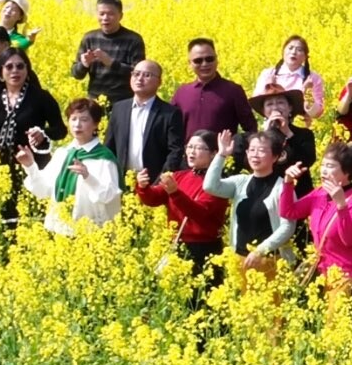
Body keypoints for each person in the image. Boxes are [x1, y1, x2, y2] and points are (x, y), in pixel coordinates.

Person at [0, 47, 65, 225]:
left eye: (20, 66)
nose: (15, 71)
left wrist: (42, 133)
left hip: (32, 167)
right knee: (4, 220)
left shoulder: (41, 98)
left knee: (33, 217)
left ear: (27, 71)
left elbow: (60, 130)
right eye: (9, 67)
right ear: (0, 73)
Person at [134, 130, 228, 285]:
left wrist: (175, 193)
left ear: (213, 154)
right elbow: (154, 199)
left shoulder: (218, 184)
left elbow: (200, 213)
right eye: (189, 146)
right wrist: (143, 186)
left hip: (203, 249)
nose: (192, 152)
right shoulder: (179, 176)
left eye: (198, 148)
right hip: (176, 243)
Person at [17, 98, 121, 236]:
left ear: (96, 124)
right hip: (59, 231)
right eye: (73, 119)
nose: (77, 125)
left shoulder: (103, 158)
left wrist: (88, 177)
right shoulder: (62, 154)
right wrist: (30, 166)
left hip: (91, 234)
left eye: (84, 120)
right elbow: (44, 190)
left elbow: (110, 196)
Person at [280, 141, 352, 298]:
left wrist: (341, 205)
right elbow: (288, 211)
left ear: (347, 172)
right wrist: (288, 181)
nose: (323, 170)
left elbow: (349, 239)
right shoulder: (320, 193)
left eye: (330, 166)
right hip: (325, 272)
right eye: (323, 165)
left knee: (341, 315)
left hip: (348, 273)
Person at [206, 129, 296, 280]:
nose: (255, 155)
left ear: (275, 157)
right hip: (239, 259)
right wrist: (221, 155)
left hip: (270, 261)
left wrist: (260, 251)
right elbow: (210, 186)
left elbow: (287, 227)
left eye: (261, 150)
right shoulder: (240, 182)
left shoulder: (283, 188)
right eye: (252, 150)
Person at [105, 60, 186, 187]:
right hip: (122, 182)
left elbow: (175, 151)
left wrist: (160, 182)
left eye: (147, 75)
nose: (139, 79)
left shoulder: (170, 113)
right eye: (136, 74)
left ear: (159, 82)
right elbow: (109, 146)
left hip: (154, 183)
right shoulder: (119, 108)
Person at [172, 38, 256, 142]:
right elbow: (171, 128)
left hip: (222, 152)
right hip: (189, 152)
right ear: (190, 63)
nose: (204, 64)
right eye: (198, 60)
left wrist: (237, 147)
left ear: (217, 59)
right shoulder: (182, 93)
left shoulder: (233, 90)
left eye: (209, 59)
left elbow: (251, 129)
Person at [68, 0, 144, 106]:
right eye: (101, 14)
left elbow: (139, 74)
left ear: (120, 16)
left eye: (110, 14)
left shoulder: (133, 40)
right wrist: (84, 64)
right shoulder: (89, 38)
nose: (105, 18)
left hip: (124, 103)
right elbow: (76, 74)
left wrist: (111, 63)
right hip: (95, 102)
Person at [249, 86, 317, 194]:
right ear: (264, 111)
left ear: (290, 107)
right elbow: (253, 165)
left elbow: (308, 161)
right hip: (268, 193)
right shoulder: (256, 139)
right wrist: (266, 134)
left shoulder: (304, 134)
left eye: (280, 102)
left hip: (299, 193)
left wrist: (288, 133)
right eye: (269, 104)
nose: (275, 107)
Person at [253, 35, 326, 120]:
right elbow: (258, 103)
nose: (293, 52)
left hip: (301, 126)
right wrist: (268, 87)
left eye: (299, 50)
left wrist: (308, 93)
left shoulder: (312, 78)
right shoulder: (268, 74)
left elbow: (316, 113)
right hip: (272, 124)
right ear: (283, 52)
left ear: (305, 57)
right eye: (290, 48)